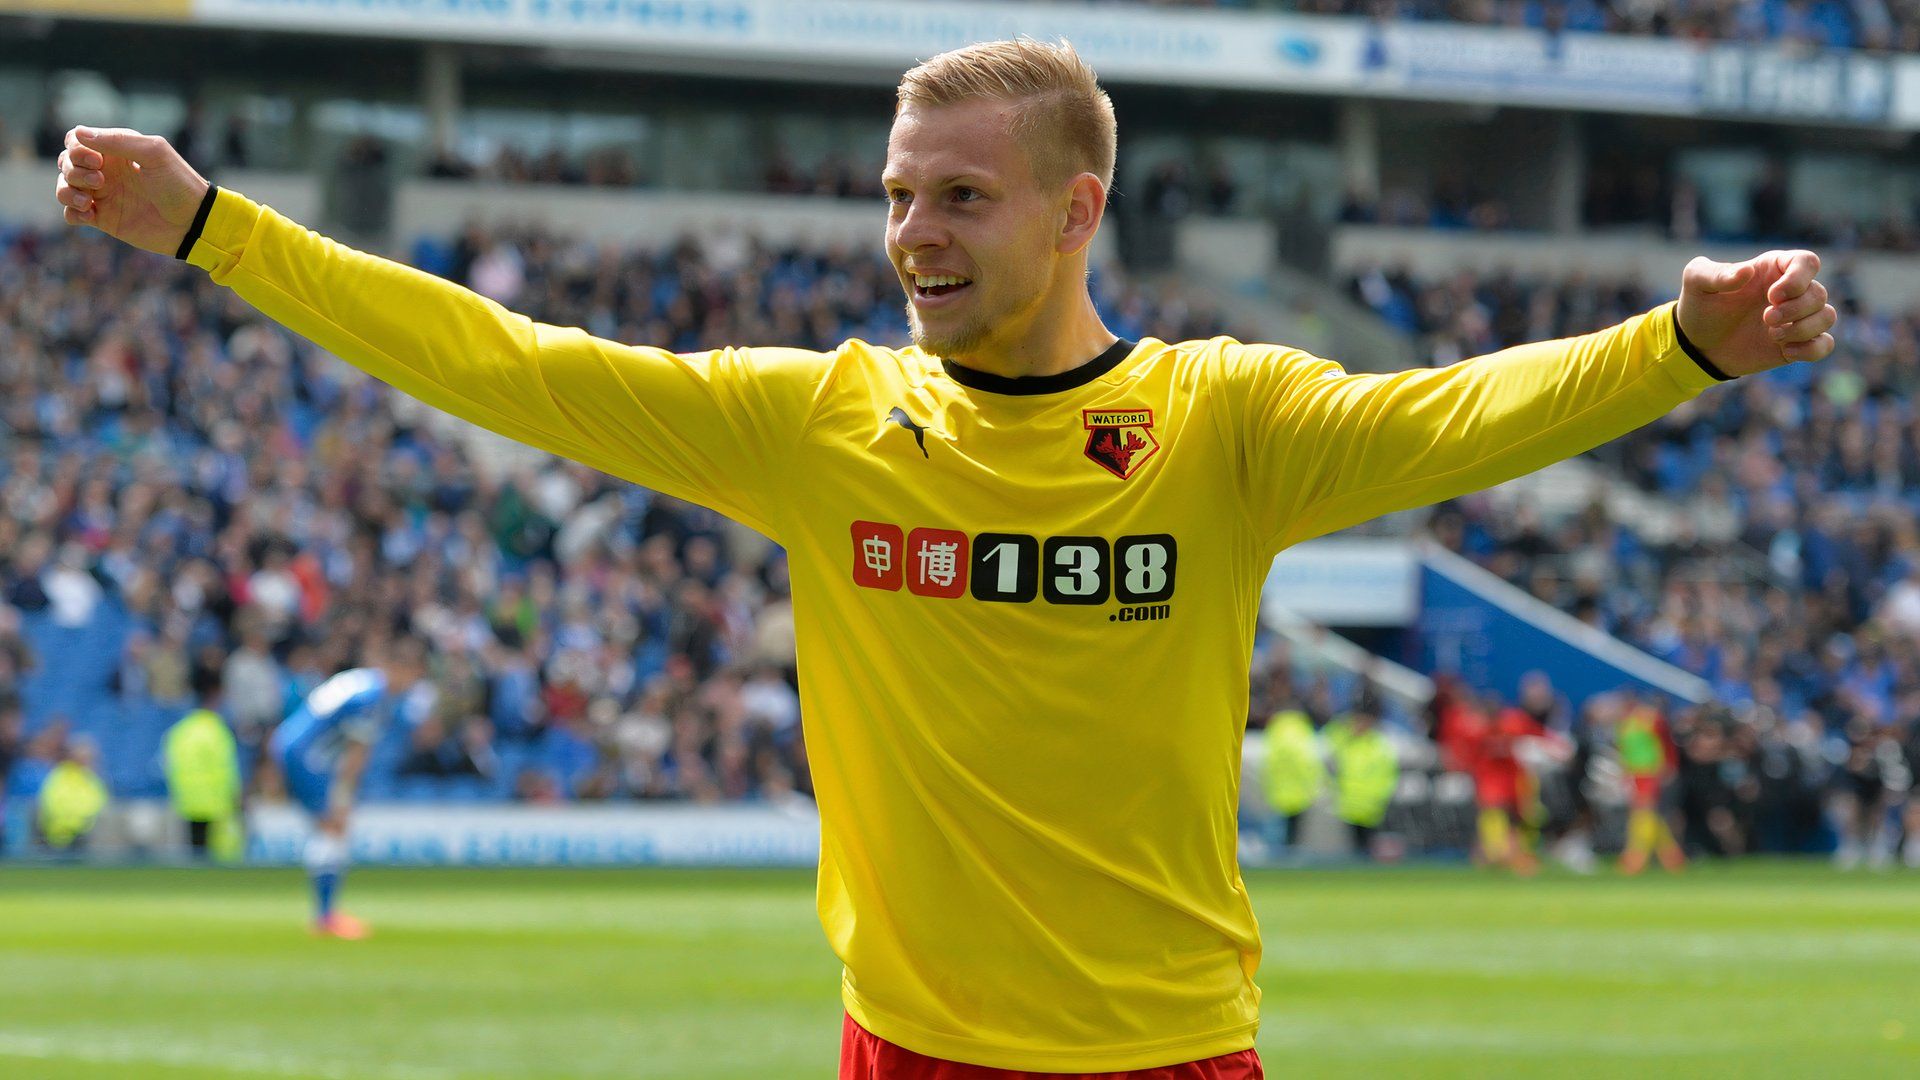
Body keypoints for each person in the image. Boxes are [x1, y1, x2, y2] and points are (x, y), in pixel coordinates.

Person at [54, 37, 1837, 1077]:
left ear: (1077, 213)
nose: (913, 230)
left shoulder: (1223, 421)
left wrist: (1673, 351)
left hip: (1169, 1059)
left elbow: (1461, 414)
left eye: (959, 197)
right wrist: (213, 230)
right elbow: (504, 363)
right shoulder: (817, 422)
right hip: (904, 1053)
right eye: (900, 192)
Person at [268, 637, 431, 938]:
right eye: (413, 674)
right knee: (334, 827)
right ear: (399, 668)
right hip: (308, 757)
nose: (412, 684)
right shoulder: (372, 697)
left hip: (295, 747)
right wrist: (343, 797)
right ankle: (326, 916)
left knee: (330, 828)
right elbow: (356, 754)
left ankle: (325, 914)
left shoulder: (361, 683)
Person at [162, 662, 243, 862]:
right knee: (217, 865)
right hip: (215, 807)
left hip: (186, 805)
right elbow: (227, 769)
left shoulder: (180, 731)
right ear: (216, 694)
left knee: (193, 863)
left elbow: (169, 767)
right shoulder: (217, 731)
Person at [1322, 698, 1398, 860]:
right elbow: (1329, 735)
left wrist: (1379, 797)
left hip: (1372, 809)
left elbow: (1388, 776)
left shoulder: (1377, 745)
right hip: (1349, 807)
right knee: (1354, 853)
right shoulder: (1346, 742)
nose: (1358, 725)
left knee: (1370, 852)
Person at [1259, 702, 1324, 856]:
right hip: (1299, 793)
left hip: (1277, 791)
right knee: (1292, 838)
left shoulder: (1275, 729)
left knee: (1276, 840)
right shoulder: (1302, 730)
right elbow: (1307, 762)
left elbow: (1269, 761)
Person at [37, 735, 107, 853]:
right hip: (61, 831)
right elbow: (52, 802)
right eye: (83, 756)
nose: (86, 760)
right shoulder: (59, 775)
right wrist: (76, 819)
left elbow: (100, 803)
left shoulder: (93, 778)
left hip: (87, 830)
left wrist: (85, 819)